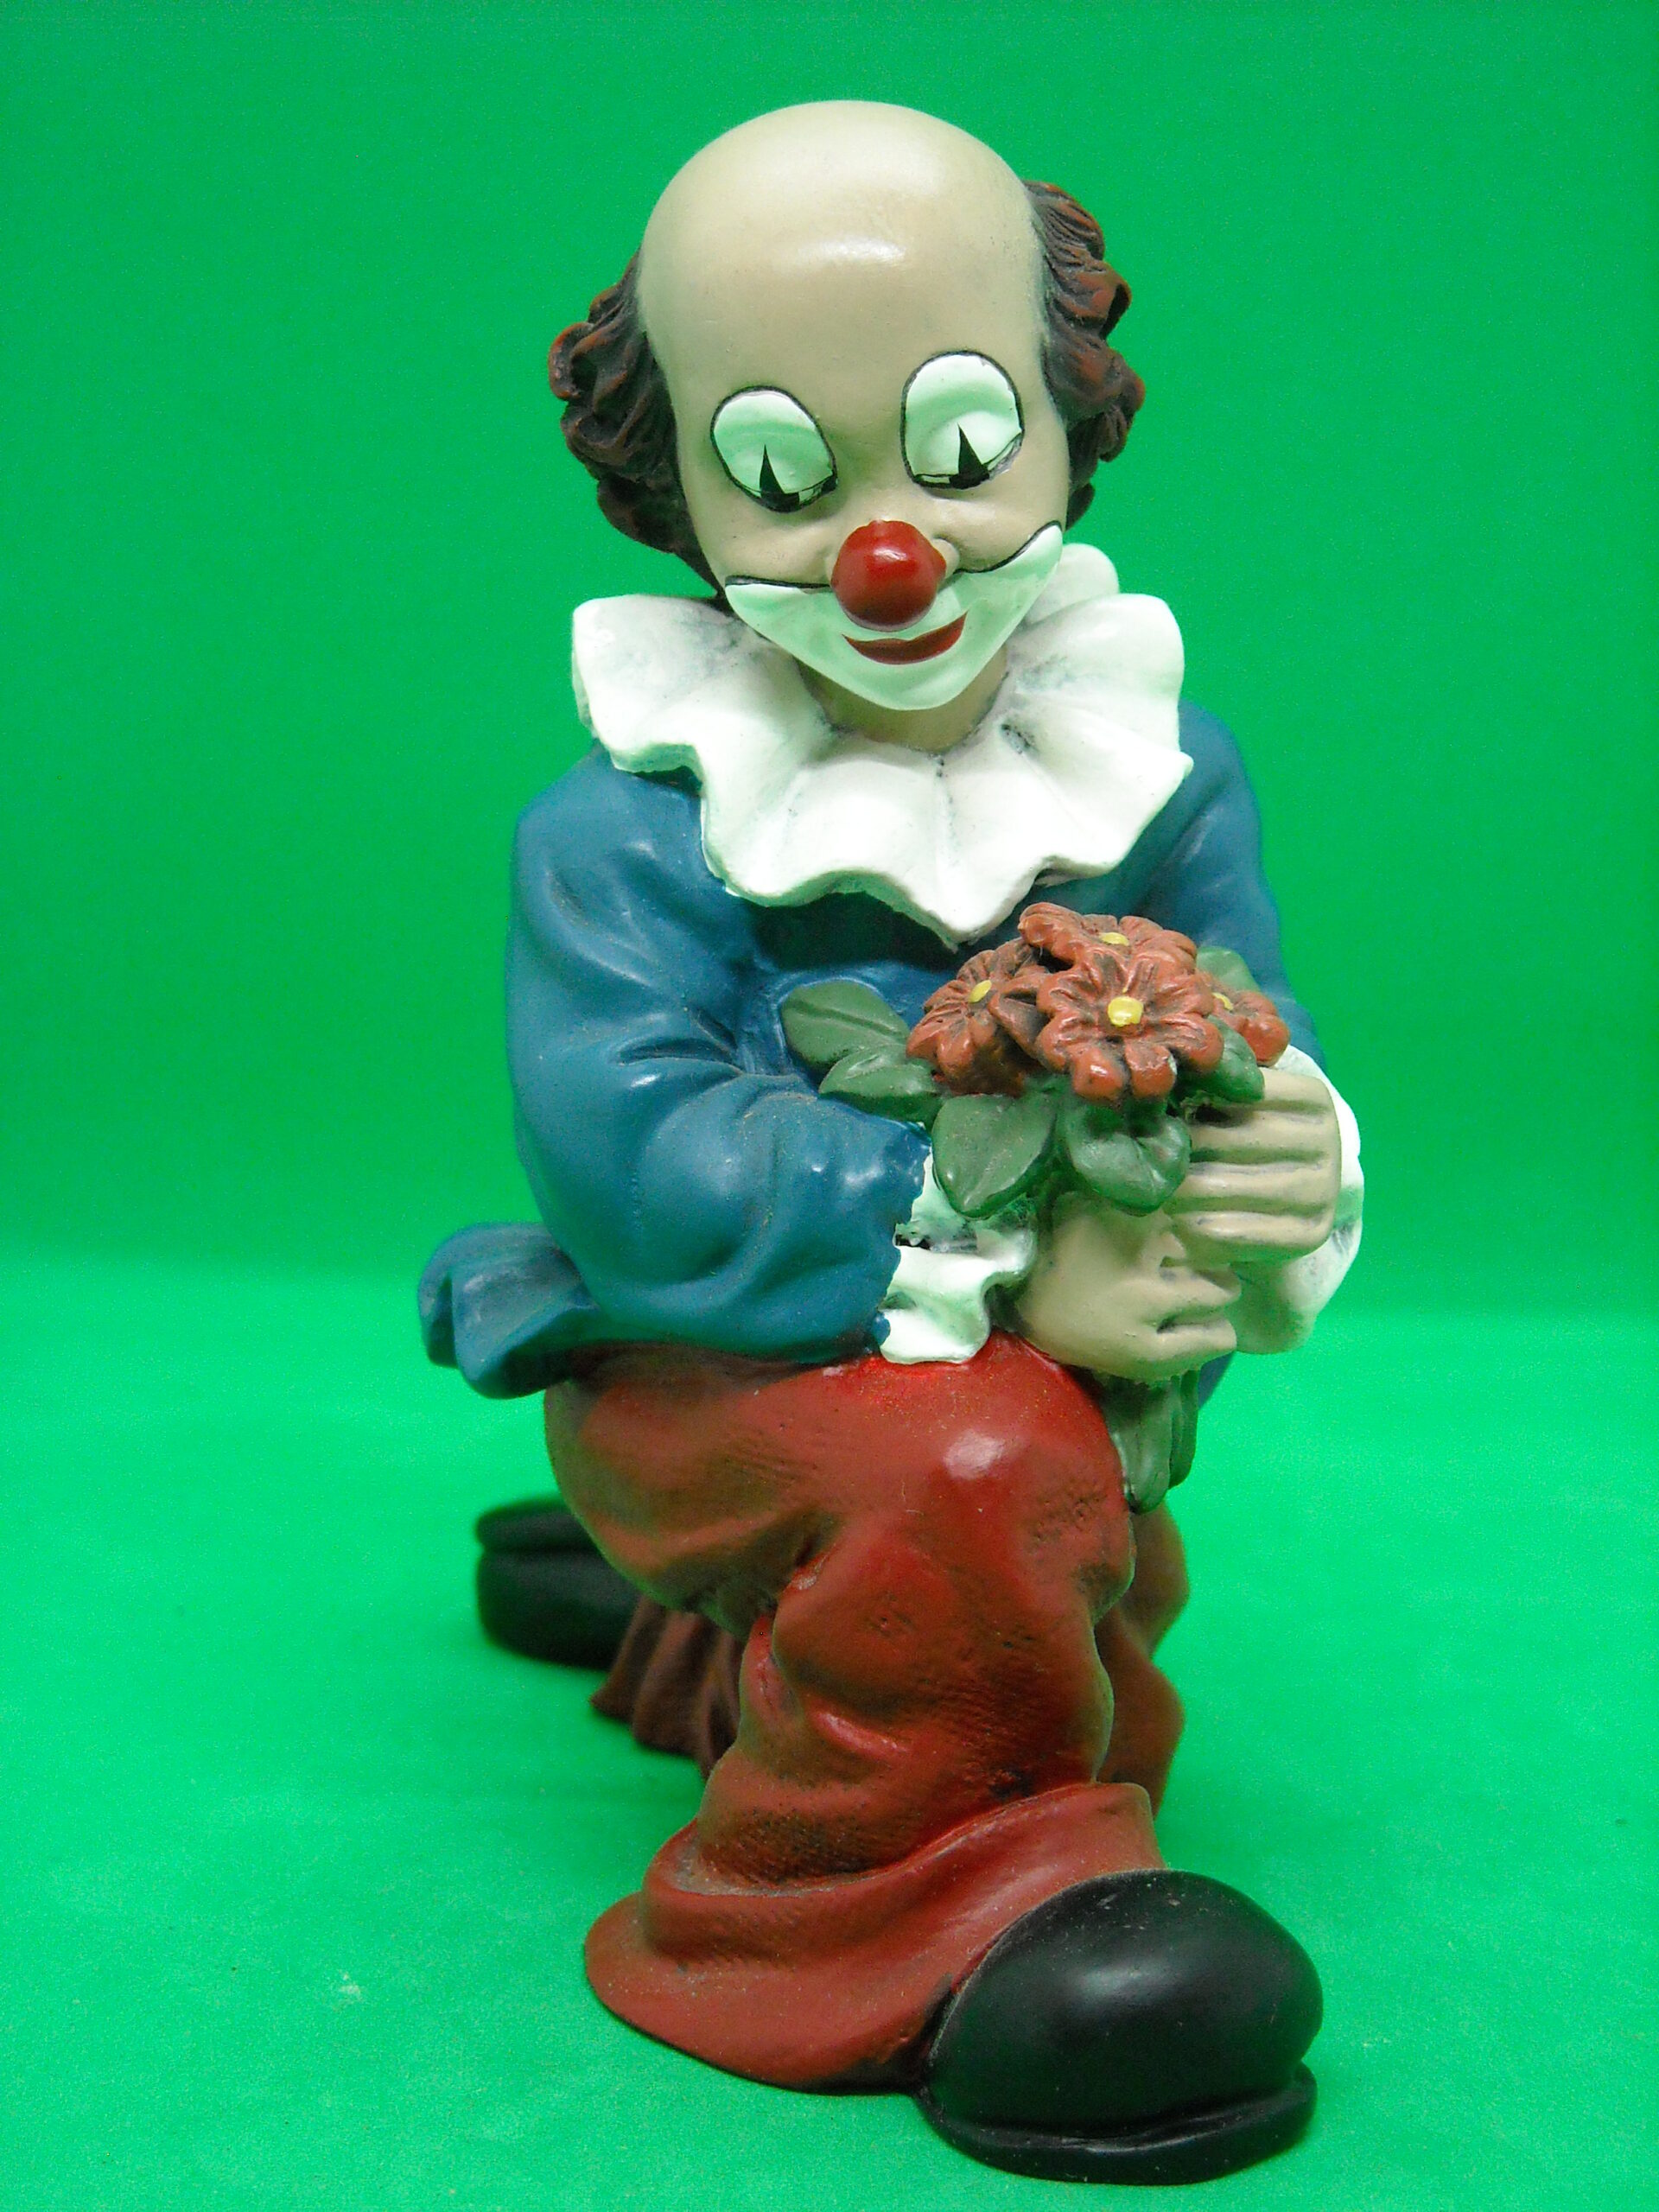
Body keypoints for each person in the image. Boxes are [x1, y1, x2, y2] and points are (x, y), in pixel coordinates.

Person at [422, 103, 1363, 2184]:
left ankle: (753, 1639)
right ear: (678, 486)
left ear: (1062, 411)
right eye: (785, 473)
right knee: (980, 1462)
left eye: (954, 446)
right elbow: (638, 1160)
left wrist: (1281, 1145)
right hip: (705, 1360)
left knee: (1062, 1494)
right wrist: (1019, 1247)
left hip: (1068, 1356)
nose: (888, 547)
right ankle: (897, 1896)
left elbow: (1243, 1013)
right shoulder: (621, 831)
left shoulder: (1157, 769)